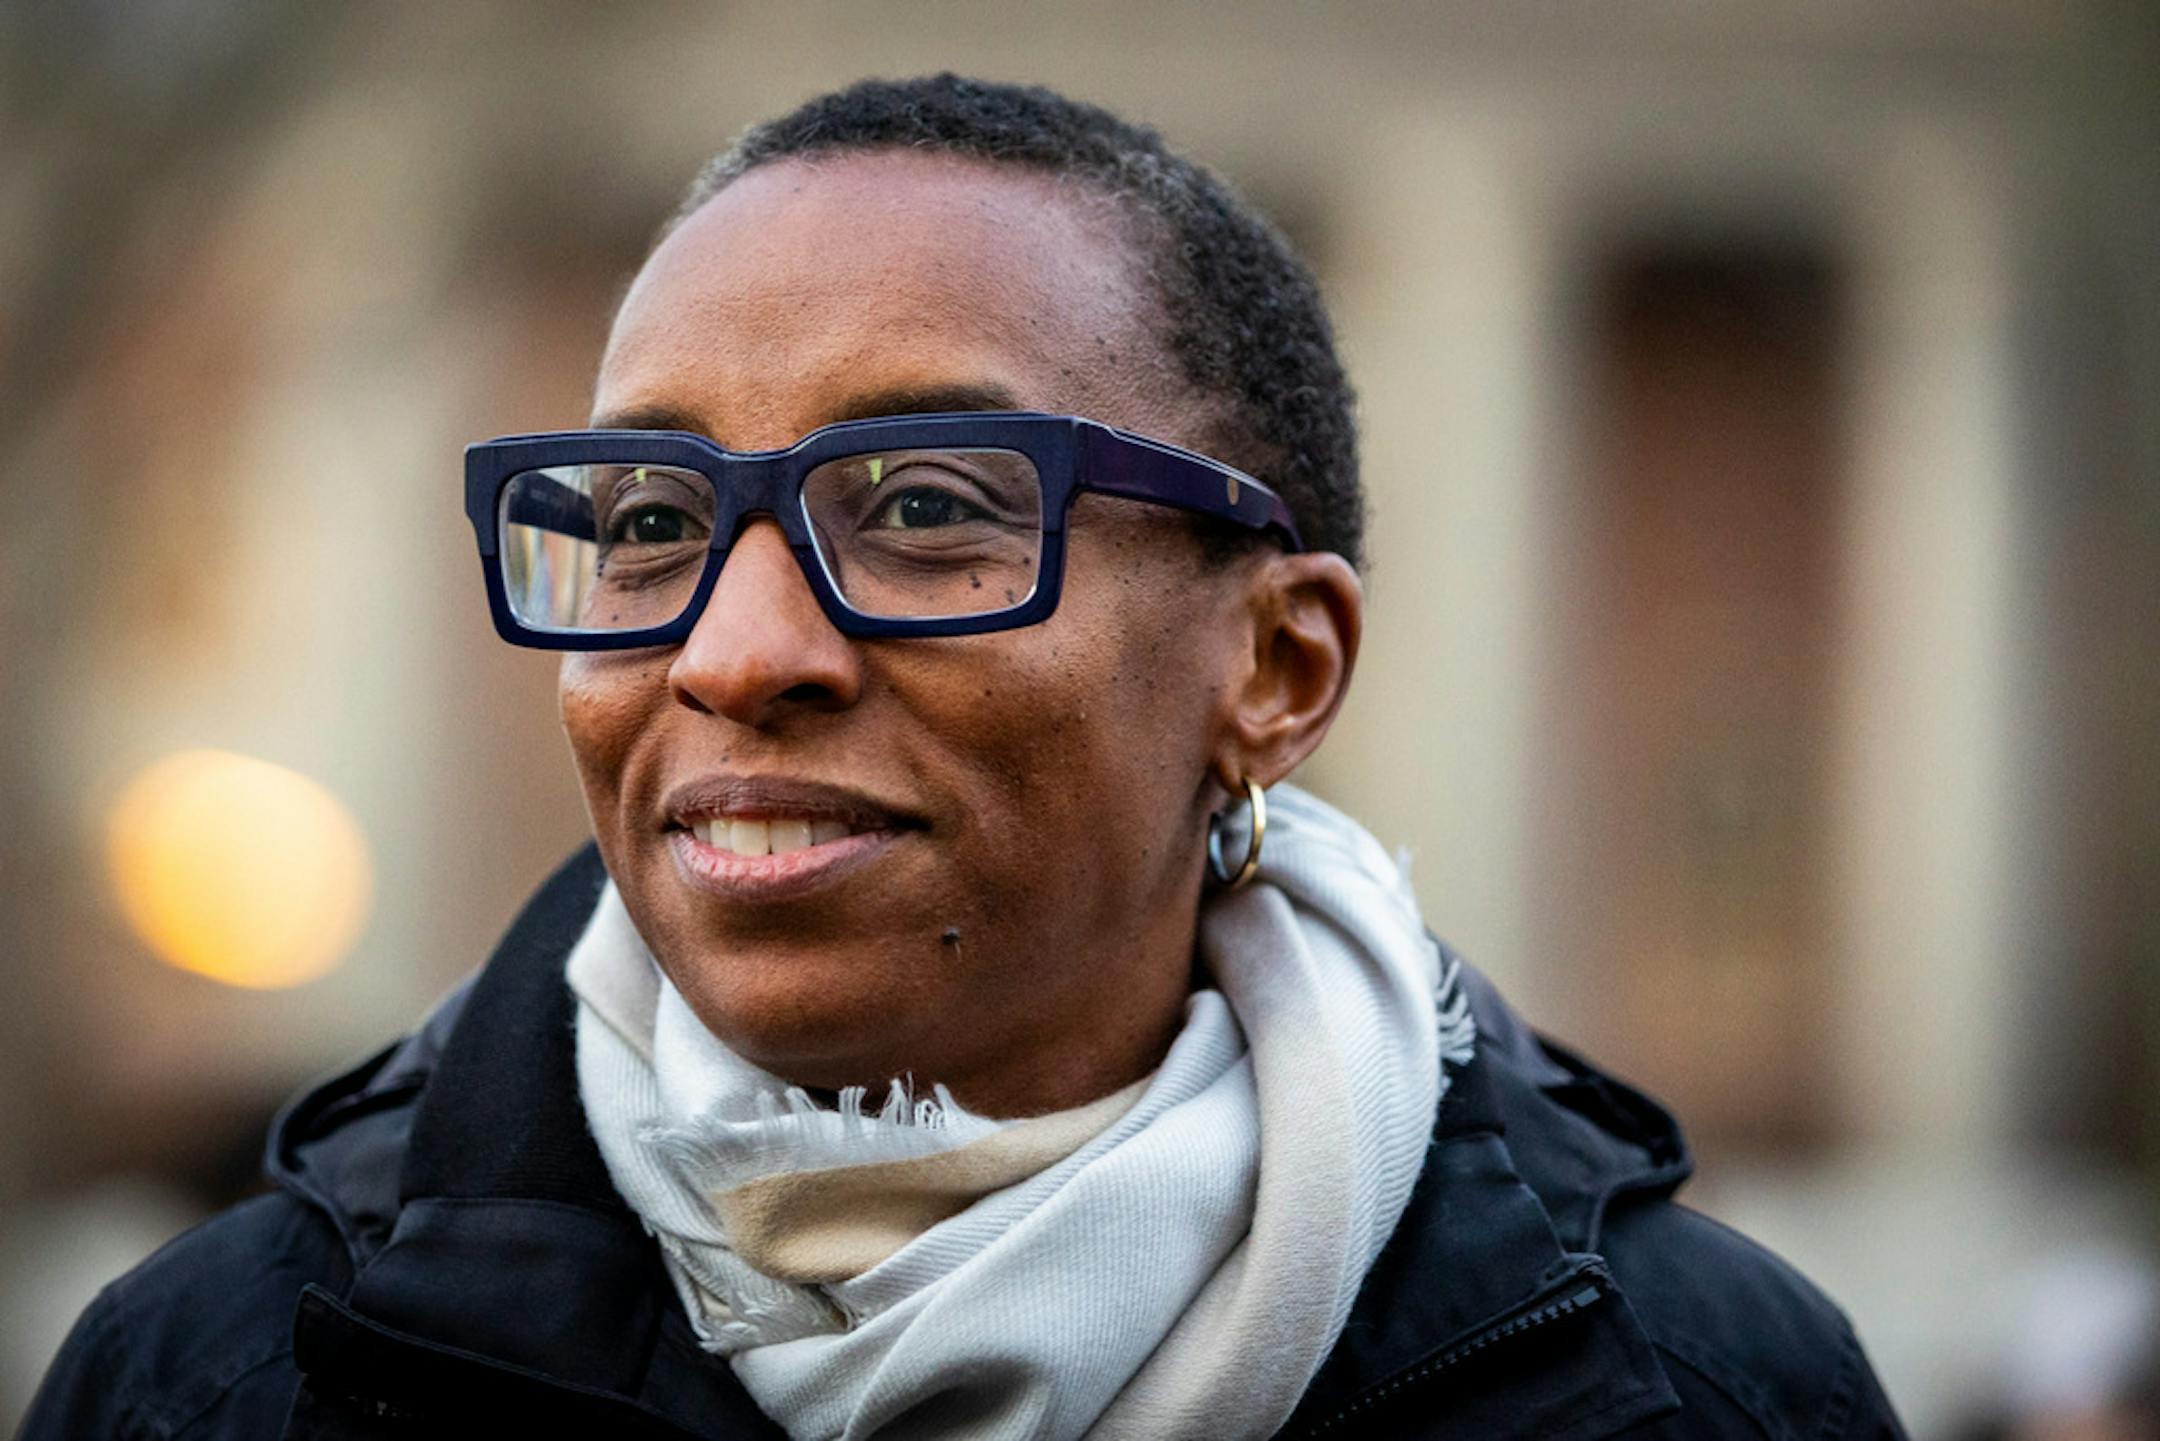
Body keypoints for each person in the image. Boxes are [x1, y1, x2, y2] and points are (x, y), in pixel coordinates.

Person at [23, 75, 1907, 1439]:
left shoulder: (1695, 1391)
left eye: (928, 505)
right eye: (652, 520)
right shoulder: (216, 1380)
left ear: (1275, 665)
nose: (736, 651)